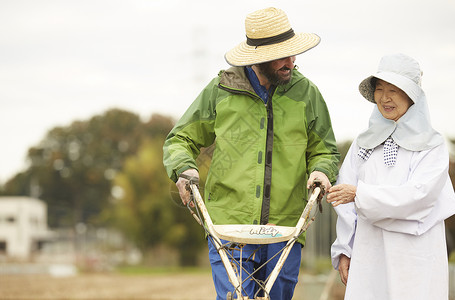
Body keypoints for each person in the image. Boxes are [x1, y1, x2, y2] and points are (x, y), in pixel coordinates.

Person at [162, 7, 339, 300]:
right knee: (236, 296)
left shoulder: (306, 94)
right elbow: (180, 139)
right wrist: (184, 169)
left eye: (293, 52)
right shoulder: (222, 91)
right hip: (229, 224)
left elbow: (325, 150)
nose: (291, 61)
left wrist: (321, 170)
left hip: (287, 225)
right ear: (258, 57)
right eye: (282, 55)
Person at [328, 53, 455, 300]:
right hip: (369, 251)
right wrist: (345, 248)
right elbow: (345, 199)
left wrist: (360, 195)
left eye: (394, 90)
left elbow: (420, 196)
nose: (385, 98)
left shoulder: (432, 146)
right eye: (380, 88)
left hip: (414, 255)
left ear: (412, 95)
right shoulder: (364, 143)